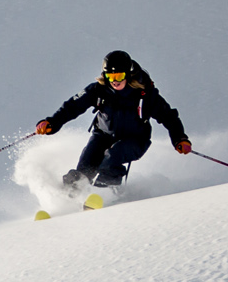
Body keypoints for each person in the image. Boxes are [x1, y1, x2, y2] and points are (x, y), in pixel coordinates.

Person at [35, 50, 190, 190]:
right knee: (84, 169)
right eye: (110, 76)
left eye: (119, 76)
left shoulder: (145, 94)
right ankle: (68, 200)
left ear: (128, 74)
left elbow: (169, 117)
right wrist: (52, 122)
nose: (115, 81)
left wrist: (179, 139)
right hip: (103, 135)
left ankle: (107, 195)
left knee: (111, 158)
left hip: (134, 140)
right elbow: (73, 106)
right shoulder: (98, 90)